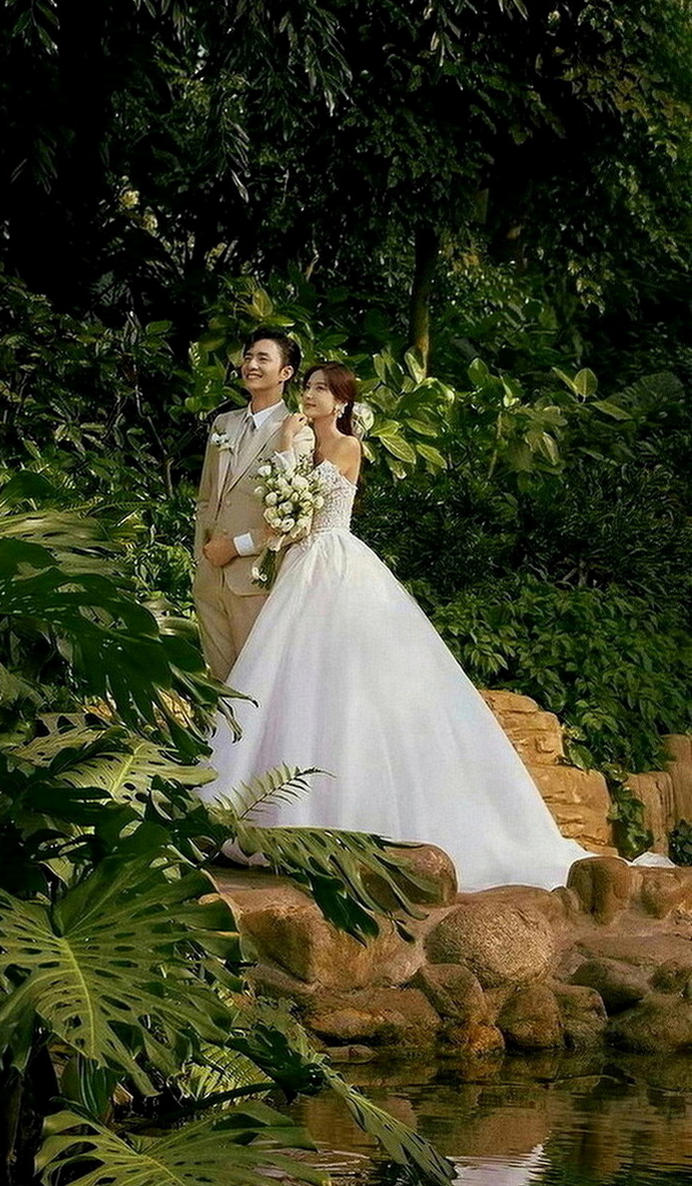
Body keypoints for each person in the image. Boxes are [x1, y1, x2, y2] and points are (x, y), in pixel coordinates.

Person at [201, 360, 596, 893]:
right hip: (298, 567)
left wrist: (288, 448)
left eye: (322, 389)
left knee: (349, 684)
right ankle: (272, 813)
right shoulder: (304, 444)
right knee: (293, 682)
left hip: (334, 565)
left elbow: (298, 508)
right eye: (309, 387)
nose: (311, 396)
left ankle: (349, 819)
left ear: (341, 402)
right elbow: (283, 520)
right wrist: (290, 451)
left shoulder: (346, 447)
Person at [193, 330, 314, 681]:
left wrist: (234, 547)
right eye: (248, 357)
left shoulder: (297, 431)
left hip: (254, 578)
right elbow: (206, 496)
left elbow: (296, 518)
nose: (251, 365)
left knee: (255, 683)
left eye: (263, 358)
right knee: (220, 682)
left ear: (286, 373)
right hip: (209, 575)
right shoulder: (223, 423)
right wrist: (202, 555)